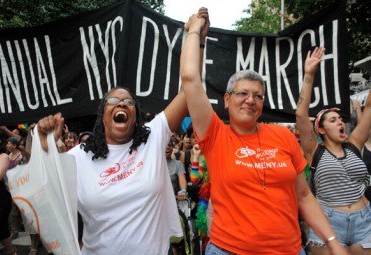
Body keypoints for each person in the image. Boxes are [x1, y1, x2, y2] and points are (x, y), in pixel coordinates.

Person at [34, 8, 209, 254]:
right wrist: (44, 145)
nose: (122, 104)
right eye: (114, 102)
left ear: (135, 115)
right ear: (103, 115)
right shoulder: (78, 156)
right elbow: (41, 192)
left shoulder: (153, 136)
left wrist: (197, 39)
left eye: (128, 102)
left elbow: (188, 90)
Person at [180, 12, 347, 255]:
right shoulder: (215, 134)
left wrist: (332, 241)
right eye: (243, 94)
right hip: (230, 250)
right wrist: (195, 32)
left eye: (258, 96)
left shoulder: (283, 136)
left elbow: (304, 196)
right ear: (226, 100)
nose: (251, 100)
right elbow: (190, 78)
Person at [296, 47, 371, 255]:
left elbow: (370, 109)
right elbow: (301, 114)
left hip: (365, 223)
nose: (340, 122)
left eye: (340, 119)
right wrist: (309, 74)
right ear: (320, 129)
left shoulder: (354, 144)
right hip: (328, 223)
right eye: (333, 120)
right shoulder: (314, 151)